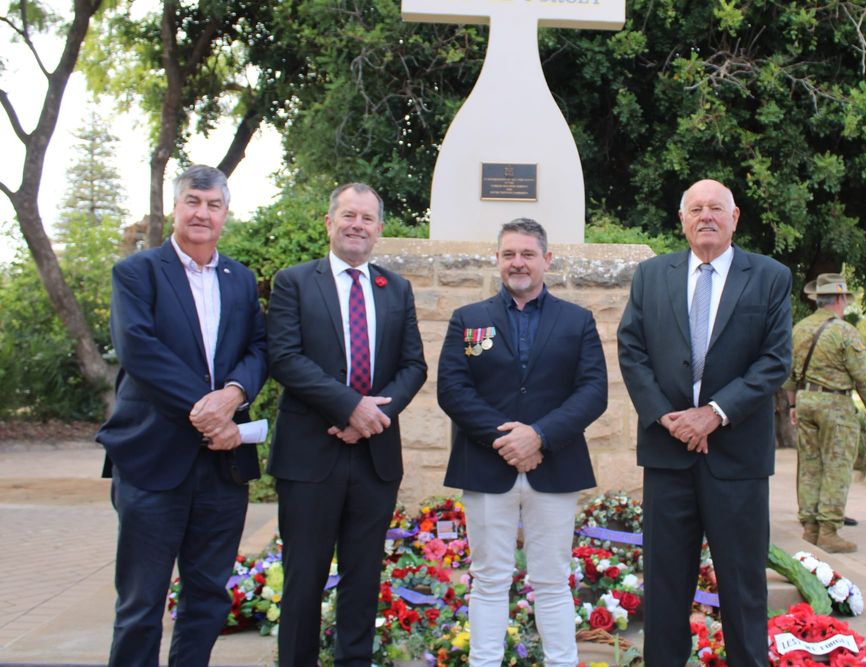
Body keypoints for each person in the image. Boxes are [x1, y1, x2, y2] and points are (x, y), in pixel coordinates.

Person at [96, 165, 268, 667]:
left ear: (225, 214)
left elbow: (259, 347)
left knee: (209, 597)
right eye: (193, 201)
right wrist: (209, 408)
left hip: (222, 467)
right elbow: (140, 351)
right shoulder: (137, 272)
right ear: (176, 207)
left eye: (213, 205)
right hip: (152, 460)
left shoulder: (240, 279)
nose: (202, 213)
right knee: (141, 603)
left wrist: (232, 394)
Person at [617, 179, 791, 667]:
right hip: (668, 454)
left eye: (717, 208)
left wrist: (713, 414)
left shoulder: (770, 277)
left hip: (737, 460)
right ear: (682, 219)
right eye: (696, 208)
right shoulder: (651, 276)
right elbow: (631, 350)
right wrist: (665, 416)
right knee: (667, 588)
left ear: (736, 218)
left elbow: (774, 361)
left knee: (742, 589)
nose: (706, 216)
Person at [267, 182, 427, 666]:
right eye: (348, 215)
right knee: (304, 577)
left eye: (367, 218)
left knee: (363, 577)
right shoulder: (293, 281)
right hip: (309, 456)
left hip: (374, 455)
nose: (357, 225)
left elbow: (414, 366)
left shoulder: (395, 288)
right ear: (329, 222)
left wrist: (371, 417)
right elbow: (285, 357)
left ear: (379, 229)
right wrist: (347, 407)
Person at [437, 218, 608, 667]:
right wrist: (509, 440)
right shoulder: (468, 320)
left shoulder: (578, 320)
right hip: (486, 466)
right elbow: (453, 390)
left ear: (546, 260)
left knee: (552, 580)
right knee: (489, 579)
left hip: (555, 467)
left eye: (528, 254)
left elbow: (593, 391)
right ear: (497, 259)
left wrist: (539, 436)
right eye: (509, 254)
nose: (518, 262)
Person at [784, 273, 866, 553]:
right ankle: (829, 531)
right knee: (836, 466)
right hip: (835, 405)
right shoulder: (844, 331)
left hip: (806, 399)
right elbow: (862, 375)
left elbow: (788, 375)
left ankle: (809, 528)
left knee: (809, 466)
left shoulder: (799, 328)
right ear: (839, 298)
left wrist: (793, 405)